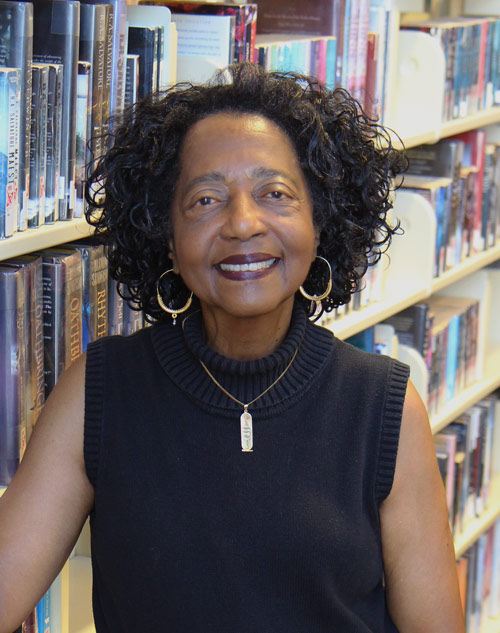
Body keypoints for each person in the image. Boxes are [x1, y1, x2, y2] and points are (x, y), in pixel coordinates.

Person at [0, 63, 464, 632]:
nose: (243, 223)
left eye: (275, 193)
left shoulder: (385, 407)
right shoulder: (100, 393)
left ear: (319, 223)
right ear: (166, 237)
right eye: (205, 200)